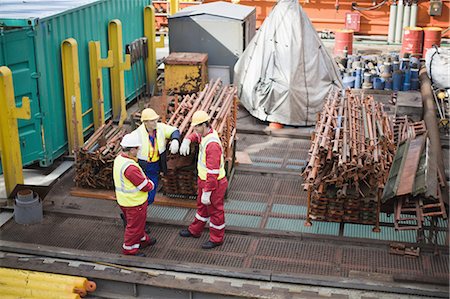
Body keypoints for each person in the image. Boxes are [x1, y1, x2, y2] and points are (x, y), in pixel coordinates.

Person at [179, 110, 228, 249]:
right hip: (205, 181)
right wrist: (187, 140)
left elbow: (213, 172)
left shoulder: (212, 145)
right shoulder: (205, 134)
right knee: (202, 208)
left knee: (215, 211)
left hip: (214, 184)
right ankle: (195, 230)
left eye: (196, 127)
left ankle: (217, 238)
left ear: (205, 125)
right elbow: (196, 136)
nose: (195, 130)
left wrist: (208, 191)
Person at [113, 133, 156, 257]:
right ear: (131, 150)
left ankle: (142, 240)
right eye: (137, 148)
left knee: (138, 224)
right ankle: (129, 250)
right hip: (134, 203)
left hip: (125, 201)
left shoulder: (119, 159)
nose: (138, 150)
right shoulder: (130, 168)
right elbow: (145, 186)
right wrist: (151, 183)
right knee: (134, 227)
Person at [134, 108, 181, 204]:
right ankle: (136, 211)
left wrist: (175, 140)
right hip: (142, 166)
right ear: (145, 122)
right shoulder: (137, 134)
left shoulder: (160, 128)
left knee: (151, 192)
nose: (155, 122)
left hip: (155, 165)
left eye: (156, 119)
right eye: (152, 121)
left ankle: (142, 208)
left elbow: (174, 131)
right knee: (140, 191)